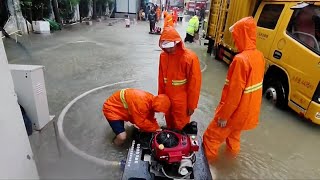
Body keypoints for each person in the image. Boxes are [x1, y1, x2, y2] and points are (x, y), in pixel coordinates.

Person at [203, 17, 265, 163]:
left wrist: (224, 116)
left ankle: (209, 168)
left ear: (242, 35)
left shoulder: (240, 60)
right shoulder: (259, 56)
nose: (235, 40)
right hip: (246, 112)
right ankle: (231, 162)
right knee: (233, 138)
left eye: (236, 36)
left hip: (233, 113)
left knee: (210, 138)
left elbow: (234, 93)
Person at [158, 27, 202, 130]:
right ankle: (170, 131)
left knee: (180, 125)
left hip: (182, 101)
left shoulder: (190, 58)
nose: (168, 49)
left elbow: (194, 84)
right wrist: (161, 99)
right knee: (168, 119)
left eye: (170, 47)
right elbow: (161, 79)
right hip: (167, 97)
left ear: (177, 42)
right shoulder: (163, 56)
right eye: (166, 47)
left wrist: (192, 105)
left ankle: (179, 137)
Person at [103, 88, 171, 146]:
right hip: (112, 109)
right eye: (159, 111)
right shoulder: (142, 104)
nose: (159, 112)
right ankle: (114, 146)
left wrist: (157, 128)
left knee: (141, 126)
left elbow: (150, 118)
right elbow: (141, 122)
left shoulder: (152, 100)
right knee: (122, 137)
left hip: (121, 107)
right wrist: (155, 129)